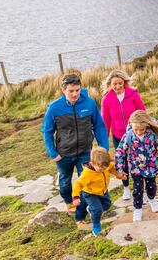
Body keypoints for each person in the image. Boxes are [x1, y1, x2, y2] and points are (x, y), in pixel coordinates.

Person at [42, 73, 109, 212]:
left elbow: (99, 126)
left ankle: (84, 208)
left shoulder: (89, 103)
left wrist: (104, 149)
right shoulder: (54, 108)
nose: (75, 94)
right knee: (65, 182)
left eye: (77, 90)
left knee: (85, 180)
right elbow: (47, 131)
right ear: (63, 90)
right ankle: (68, 200)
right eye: (71, 91)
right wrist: (53, 153)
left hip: (85, 152)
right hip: (63, 154)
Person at [115, 110, 158, 221]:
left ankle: (152, 198)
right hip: (135, 167)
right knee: (138, 189)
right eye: (135, 129)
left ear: (147, 126)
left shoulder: (153, 135)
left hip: (151, 166)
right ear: (131, 125)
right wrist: (119, 168)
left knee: (151, 186)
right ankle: (137, 208)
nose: (138, 132)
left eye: (142, 129)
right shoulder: (128, 136)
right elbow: (120, 151)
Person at [100, 69, 146, 201]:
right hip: (118, 135)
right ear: (110, 84)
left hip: (135, 133)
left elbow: (142, 112)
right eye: (115, 84)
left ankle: (140, 190)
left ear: (124, 82)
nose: (118, 86)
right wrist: (104, 142)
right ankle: (126, 188)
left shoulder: (133, 94)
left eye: (120, 83)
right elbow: (106, 121)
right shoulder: (106, 99)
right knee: (122, 162)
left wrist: (146, 129)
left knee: (139, 160)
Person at [72, 146, 124, 236]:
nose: (103, 170)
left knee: (107, 205)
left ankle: (91, 209)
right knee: (97, 210)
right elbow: (78, 184)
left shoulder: (106, 165)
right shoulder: (87, 173)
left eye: (105, 168)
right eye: (100, 168)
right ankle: (96, 225)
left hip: (103, 191)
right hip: (90, 193)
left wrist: (118, 175)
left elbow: (112, 168)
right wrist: (76, 196)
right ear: (93, 163)